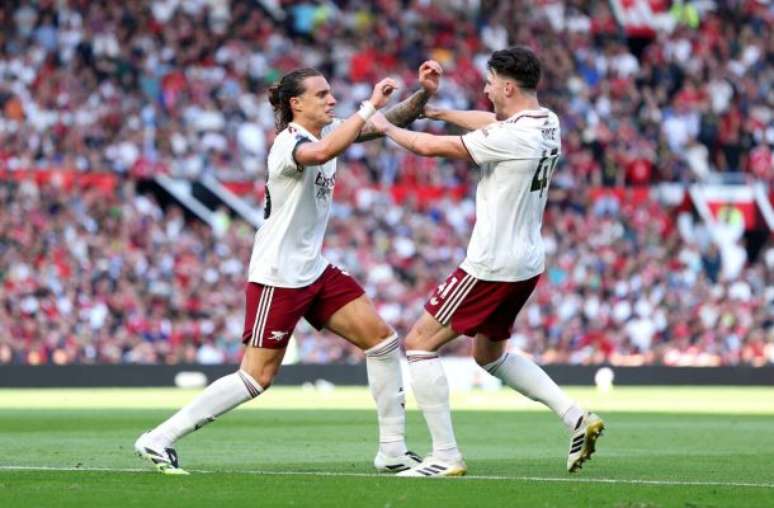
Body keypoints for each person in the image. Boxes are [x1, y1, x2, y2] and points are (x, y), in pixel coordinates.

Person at [135, 61, 444, 475]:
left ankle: (392, 451)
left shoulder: (330, 131)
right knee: (256, 377)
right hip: (278, 274)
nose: (332, 99)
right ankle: (159, 438)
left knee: (383, 342)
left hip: (313, 268)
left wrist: (424, 93)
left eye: (331, 93)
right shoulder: (289, 143)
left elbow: (392, 121)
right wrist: (368, 105)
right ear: (296, 104)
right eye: (322, 94)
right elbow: (323, 153)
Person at [368, 46, 604, 477]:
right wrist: (437, 111)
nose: (486, 89)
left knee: (419, 344)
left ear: (508, 87)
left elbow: (428, 148)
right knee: (489, 355)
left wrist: (383, 124)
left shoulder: (513, 137)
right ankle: (575, 416)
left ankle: (445, 455)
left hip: (491, 264)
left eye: (491, 82)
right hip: (527, 263)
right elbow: (491, 123)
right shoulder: (547, 121)